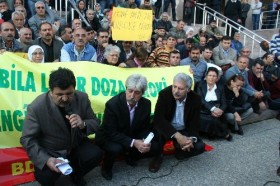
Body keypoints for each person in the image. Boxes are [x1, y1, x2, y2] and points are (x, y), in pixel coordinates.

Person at [20, 67, 103, 186]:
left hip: (76, 144)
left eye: (69, 94)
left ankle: (76, 176)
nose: (64, 99)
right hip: (52, 151)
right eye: (59, 94)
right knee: (45, 177)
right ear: (50, 91)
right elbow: (27, 139)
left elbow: (95, 123)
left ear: (74, 89)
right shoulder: (36, 107)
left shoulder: (82, 97)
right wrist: (47, 160)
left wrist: (83, 124)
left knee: (96, 154)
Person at [95, 74, 163, 180]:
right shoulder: (113, 104)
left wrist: (145, 140)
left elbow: (144, 127)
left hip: (130, 133)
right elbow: (111, 133)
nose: (132, 95)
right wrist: (134, 142)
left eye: (137, 93)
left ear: (142, 93)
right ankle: (106, 168)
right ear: (126, 88)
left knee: (152, 146)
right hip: (109, 136)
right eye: (130, 91)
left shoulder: (146, 104)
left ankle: (131, 156)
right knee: (115, 148)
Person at [153, 73, 205, 160]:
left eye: (180, 88)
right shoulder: (164, 94)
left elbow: (195, 122)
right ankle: (157, 159)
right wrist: (178, 136)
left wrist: (191, 139)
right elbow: (159, 119)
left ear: (188, 90)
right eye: (174, 86)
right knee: (156, 141)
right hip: (167, 128)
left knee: (200, 146)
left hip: (183, 129)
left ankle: (180, 151)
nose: (176, 91)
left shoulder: (196, 99)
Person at [196, 67, 232, 141]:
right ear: (206, 76)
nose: (211, 78)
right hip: (204, 110)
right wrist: (212, 109)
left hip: (217, 109)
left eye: (214, 76)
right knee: (212, 120)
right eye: (210, 75)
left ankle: (212, 134)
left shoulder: (220, 87)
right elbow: (201, 100)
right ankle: (225, 134)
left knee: (218, 118)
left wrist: (220, 110)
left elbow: (224, 103)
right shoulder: (200, 85)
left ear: (217, 78)